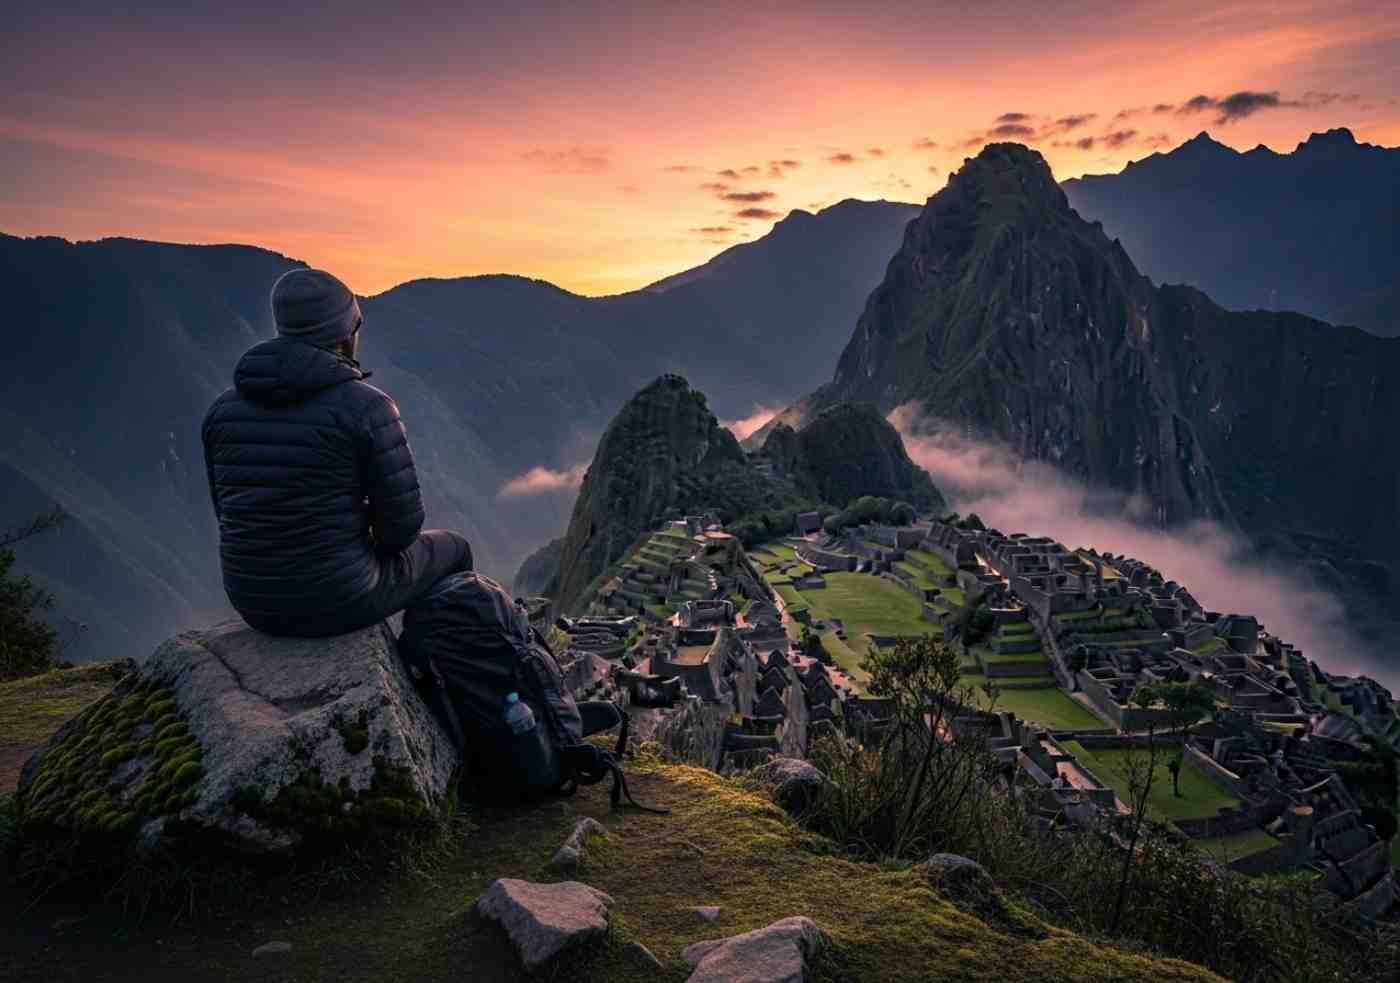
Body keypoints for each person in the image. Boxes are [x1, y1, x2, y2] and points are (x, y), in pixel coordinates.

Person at [202, 268, 472, 637]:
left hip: (252, 601)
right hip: (338, 600)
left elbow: (229, 511)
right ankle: (437, 667)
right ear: (346, 336)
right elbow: (400, 532)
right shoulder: (366, 408)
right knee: (455, 549)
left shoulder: (222, 410)